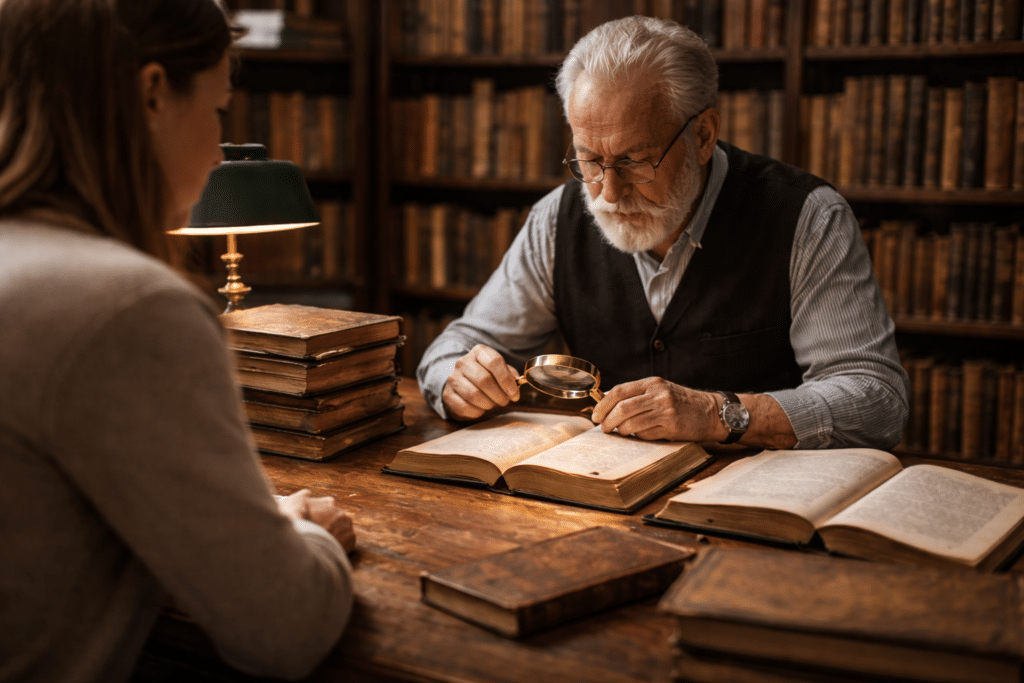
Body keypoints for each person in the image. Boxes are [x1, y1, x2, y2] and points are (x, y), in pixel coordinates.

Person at [0, 1, 354, 681]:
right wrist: (303, 531)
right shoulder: (127, 308)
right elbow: (283, 625)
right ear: (153, 93)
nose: (222, 149)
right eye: (220, 107)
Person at [417, 16, 909, 451]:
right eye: (589, 159)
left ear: (702, 136)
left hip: (755, 510)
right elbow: (453, 350)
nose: (607, 194)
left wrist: (718, 415)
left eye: (633, 160)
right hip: (605, 500)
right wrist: (459, 383)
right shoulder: (557, 218)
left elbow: (877, 398)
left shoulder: (806, 217)